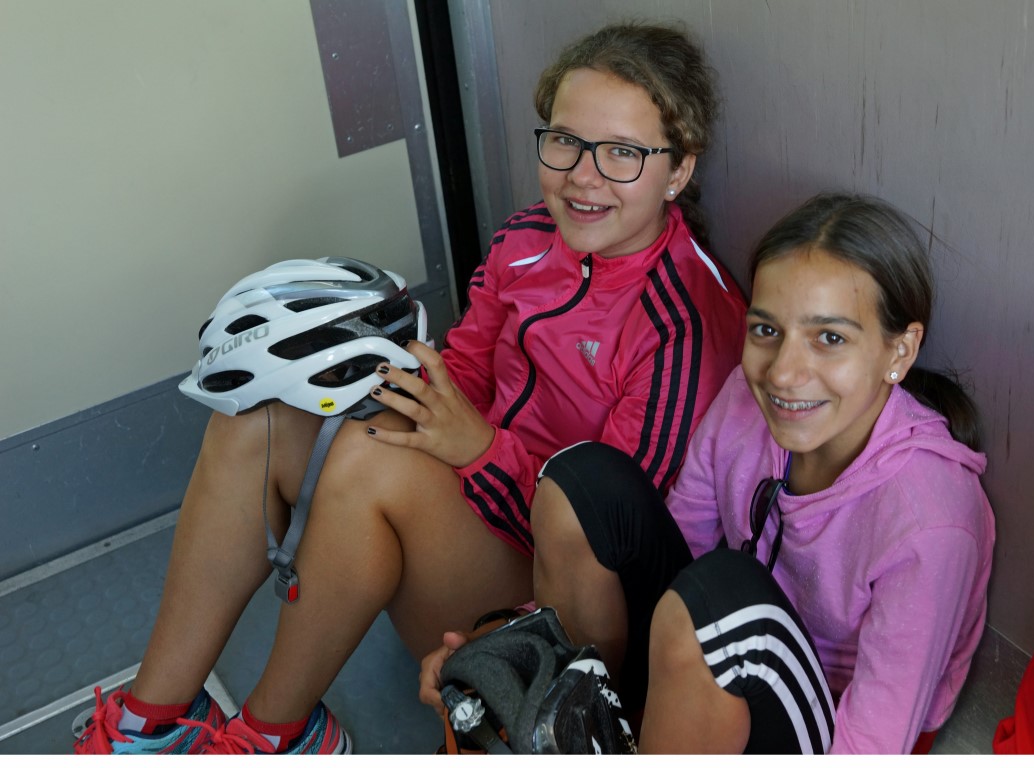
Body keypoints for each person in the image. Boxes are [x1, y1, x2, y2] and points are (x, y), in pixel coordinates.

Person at [73, 20, 746, 755]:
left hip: (558, 605)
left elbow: (612, 543)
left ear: (677, 170)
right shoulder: (526, 237)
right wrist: (368, 387)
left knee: (370, 463)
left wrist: (478, 448)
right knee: (258, 418)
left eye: (622, 153)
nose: (583, 176)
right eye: (564, 141)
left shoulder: (685, 324)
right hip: (475, 508)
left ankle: (273, 735)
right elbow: (460, 371)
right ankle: (147, 722)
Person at [422, 192, 995, 754]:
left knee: (722, 596)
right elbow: (680, 548)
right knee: (582, 481)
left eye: (830, 338)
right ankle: (581, 725)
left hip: (830, 732)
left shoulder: (930, 518)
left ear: (900, 351)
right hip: (714, 663)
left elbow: (873, 743)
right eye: (767, 330)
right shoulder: (748, 397)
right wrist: (510, 642)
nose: (784, 373)